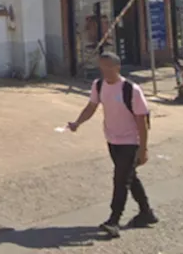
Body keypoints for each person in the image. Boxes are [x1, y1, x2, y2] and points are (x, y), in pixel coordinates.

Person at [66, 51, 157, 237]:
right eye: (102, 67)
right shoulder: (98, 85)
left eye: (108, 67)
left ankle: (114, 220)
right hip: (112, 139)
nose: (105, 71)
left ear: (117, 67)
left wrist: (143, 148)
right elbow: (91, 106)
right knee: (129, 176)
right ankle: (146, 212)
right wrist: (77, 123)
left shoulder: (130, 89)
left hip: (130, 141)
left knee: (120, 180)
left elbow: (142, 121)